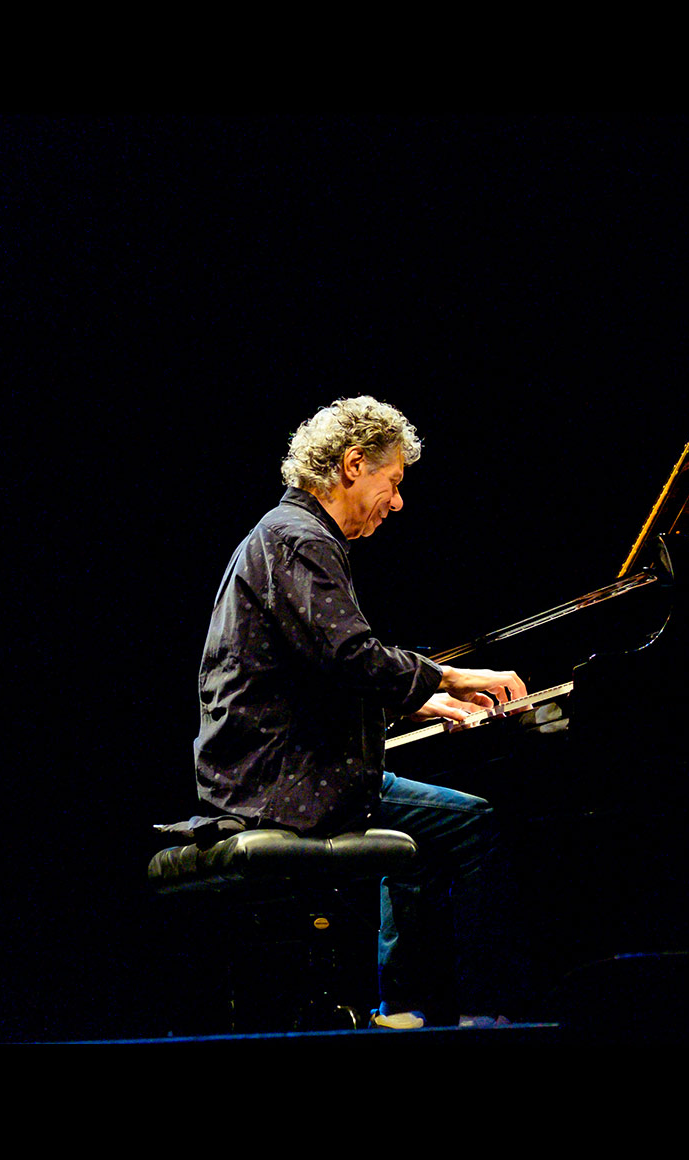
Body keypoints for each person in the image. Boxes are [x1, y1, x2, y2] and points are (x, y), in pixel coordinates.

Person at [193, 395, 526, 1029]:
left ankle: (401, 1006)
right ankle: (491, 1015)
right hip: (284, 782)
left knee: (421, 841)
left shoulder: (284, 534)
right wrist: (453, 676)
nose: (396, 502)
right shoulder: (299, 539)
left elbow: (319, 672)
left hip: (272, 770)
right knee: (475, 825)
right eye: (392, 481)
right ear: (352, 465)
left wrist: (423, 702)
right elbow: (351, 654)